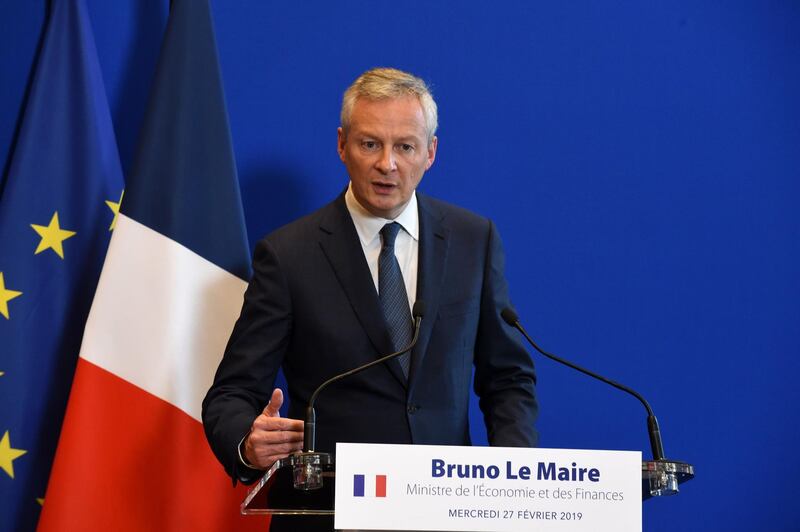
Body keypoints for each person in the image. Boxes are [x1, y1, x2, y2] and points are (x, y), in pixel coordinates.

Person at [202, 67, 538, 530]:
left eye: (405, 146)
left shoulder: (472, 240)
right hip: (330, 514)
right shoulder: (289, 255)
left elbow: (508, 379)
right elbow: (231, 394)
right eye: (369, 144)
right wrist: (247, 441)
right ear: (342, 145)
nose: (387, 164)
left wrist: (511, 477)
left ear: (430, 153)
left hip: (447, 512)